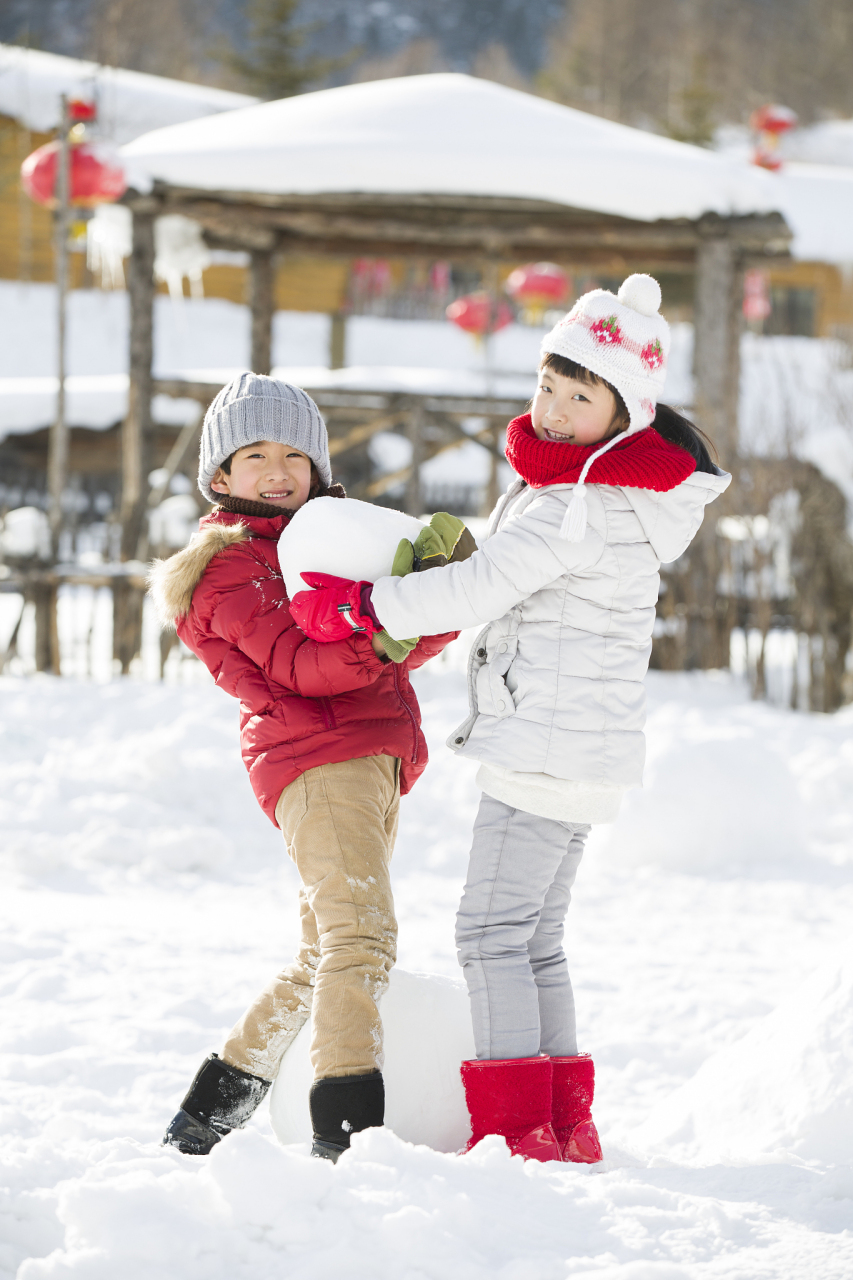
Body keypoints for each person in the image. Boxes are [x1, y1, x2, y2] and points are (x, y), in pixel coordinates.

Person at [290, 275, 732, 1163]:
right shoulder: (610, 498)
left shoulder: (579, 503)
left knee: (489, 935)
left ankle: (517, 1133)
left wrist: (365, 603)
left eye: (582, 397)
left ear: (625, 415)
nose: (557, 410)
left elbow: (477, 585)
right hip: (584, 746)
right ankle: (562, 1126)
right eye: (548, 387)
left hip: (548, 743)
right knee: (533, 939)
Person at [148, 373, 457, 1162]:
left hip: (367, 756)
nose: (278, 469)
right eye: (255, 455)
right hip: (317, 759)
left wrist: (429, 594)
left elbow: (391, 649)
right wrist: (380, 620)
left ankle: (207, 1113)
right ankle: (345, 1135)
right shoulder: (228, 567)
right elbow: (300, 667)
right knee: (362, 941)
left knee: (327, 952)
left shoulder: (326, 544)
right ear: (221, 476)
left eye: (294, 453)